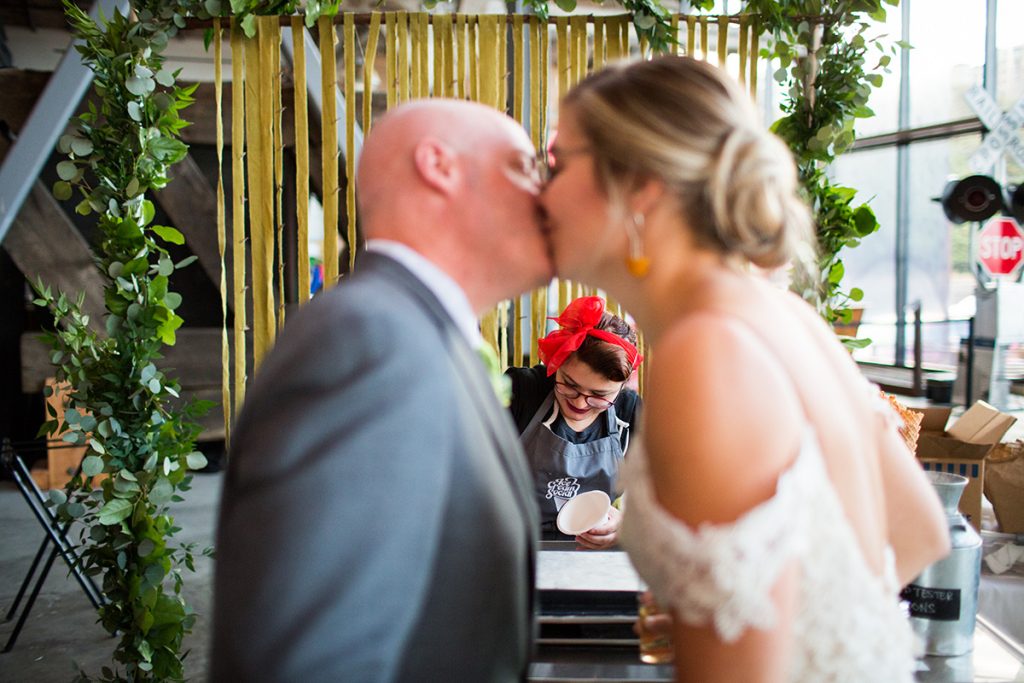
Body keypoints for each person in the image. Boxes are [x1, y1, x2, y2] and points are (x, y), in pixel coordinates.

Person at [539, 55, 950, 682]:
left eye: (560, 163)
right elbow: (920, 533)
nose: (543, 191)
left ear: (640, 184)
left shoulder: (706, 356)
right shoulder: (780, 315)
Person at [211, 99, 553, 682]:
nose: (546, 196)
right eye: (525, 167)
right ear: (438, 166)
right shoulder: (370, 342)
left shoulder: (413, 333)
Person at [506, 295, 642, 549]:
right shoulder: (523, 391)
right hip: (511, 545)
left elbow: (659, 496)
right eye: (569, 385)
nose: (580, 403)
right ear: (557, 362)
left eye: (599, 396)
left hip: (591, 552)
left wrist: (624, 524)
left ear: (621, 388)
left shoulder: (629, 411)